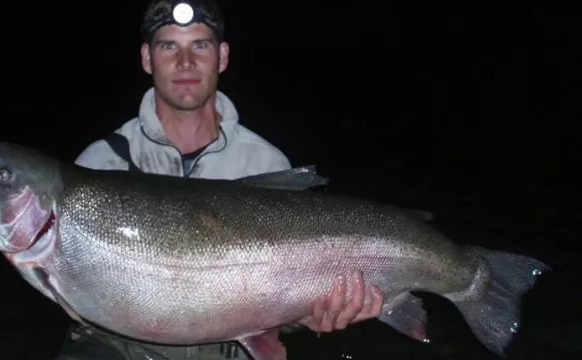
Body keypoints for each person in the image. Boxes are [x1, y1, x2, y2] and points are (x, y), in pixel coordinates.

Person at [58, 1, 384, 359]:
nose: (186, 62)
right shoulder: (98, 167)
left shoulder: (265, 163)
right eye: (169, 46)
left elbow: (278, 305)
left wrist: (310, 314)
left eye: (200, 45)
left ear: (223, 56)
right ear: (147, 59)